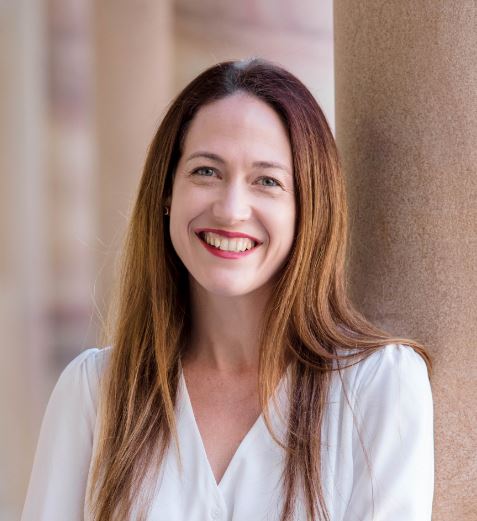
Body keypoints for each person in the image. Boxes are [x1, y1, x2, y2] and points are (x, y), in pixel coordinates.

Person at [21, 58, 434, 521]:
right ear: (166, 193)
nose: (232, 209)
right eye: (206, 172)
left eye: (267, 181)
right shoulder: (96, 392)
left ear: (308, 210)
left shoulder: (380, 387)